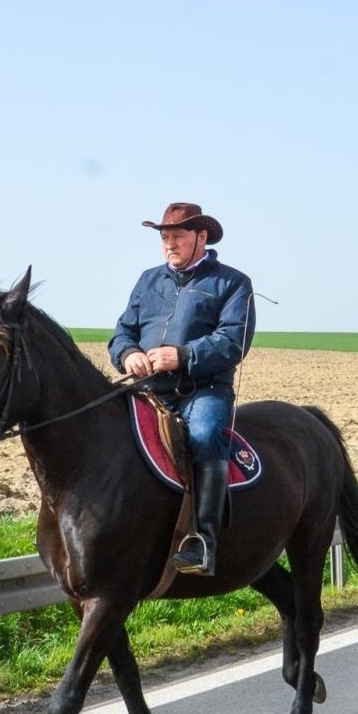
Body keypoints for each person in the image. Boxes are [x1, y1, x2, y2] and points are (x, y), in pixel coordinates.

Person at [110, 202, 255, 576]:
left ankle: (203, 541)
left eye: (177, 236)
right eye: (164, 237)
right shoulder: (147, 280)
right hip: (148, 390)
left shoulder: (233, 283)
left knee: (205, 435)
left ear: (200, 237)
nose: (169, 244)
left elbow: (233, 341)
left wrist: (183, 355)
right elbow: (123, 332)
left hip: (202, 392)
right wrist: (128, 354)